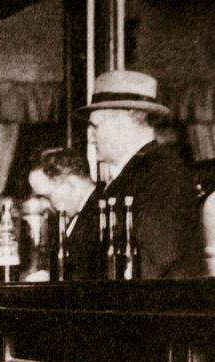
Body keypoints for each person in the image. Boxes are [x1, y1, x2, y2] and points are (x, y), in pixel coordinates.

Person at [75, 69, 205, 279]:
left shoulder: (163, 175)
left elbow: (147, 266)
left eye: (95, 127)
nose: (90, 138)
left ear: (124, 122)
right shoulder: (137, 172)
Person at [27, 147, 98, 280]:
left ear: (70, 182)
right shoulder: (77, 214)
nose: (45, 205)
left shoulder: (102, 214)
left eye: (46, 196)